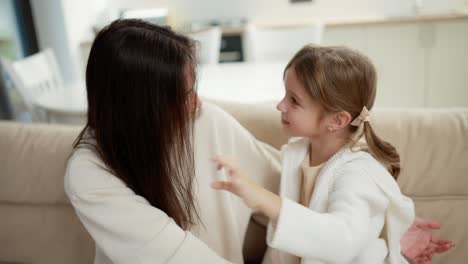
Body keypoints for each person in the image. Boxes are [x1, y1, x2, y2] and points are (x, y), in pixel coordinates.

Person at [65, 19, 453, 264]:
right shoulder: (90, 173)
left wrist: (385, 228)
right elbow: (173, 256)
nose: (198, 103)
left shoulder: (205, 121)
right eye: (183, 97)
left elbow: (288, 189)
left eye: (193, 89)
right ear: (141, 108)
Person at [211, 46, 454, 264]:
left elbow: (342, 241)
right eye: (285, 94)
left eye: (294, 101)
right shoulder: (297, 155)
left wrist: (262, 198)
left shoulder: (358, 172)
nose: (280, 106)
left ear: (337, 120)